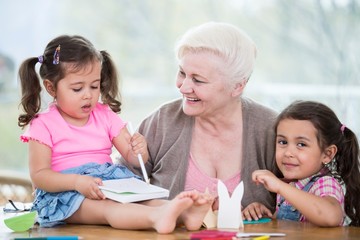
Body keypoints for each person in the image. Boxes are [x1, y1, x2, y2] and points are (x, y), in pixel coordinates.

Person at [17, 35, 213, 234]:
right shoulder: (43, 124)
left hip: (106, 185)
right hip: (65, 195)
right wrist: (77, 182)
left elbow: (135, 160)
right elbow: (40, 176)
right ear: (51, 88)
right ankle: (157, 218)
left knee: (146, 200)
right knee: (109, 209)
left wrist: (140, 150)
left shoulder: (105, 115)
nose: (88, 94)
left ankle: (185, 216)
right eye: (77, 88)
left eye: (94, 86)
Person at [120, 22, 279, 215]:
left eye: (198, 80)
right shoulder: (163, 121)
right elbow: (119, 182)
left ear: (238, 86)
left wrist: (274, 212)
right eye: (182, 73)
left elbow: (301, 199)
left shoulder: (271, 129)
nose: (183, 87)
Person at [249, 100, 360, 227]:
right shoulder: (291, 186)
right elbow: (289, 224)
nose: (288, 153)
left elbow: (331, 216)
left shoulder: (325, 183)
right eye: (283, 142)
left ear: (327, 154)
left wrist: (280, 186)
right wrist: (265, 215)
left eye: (301, 144)